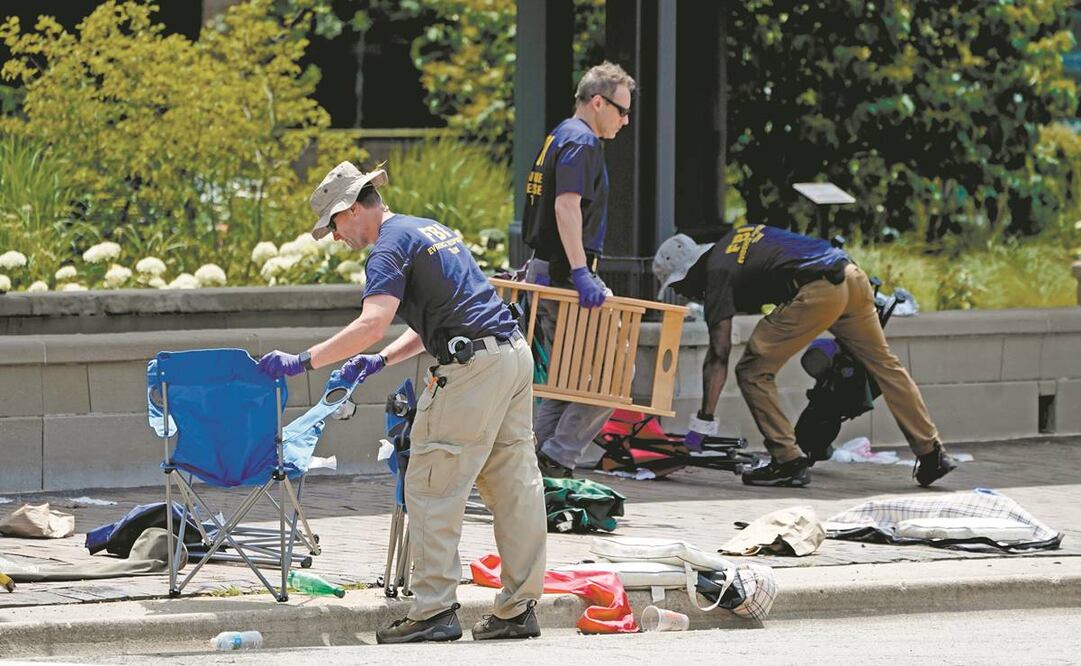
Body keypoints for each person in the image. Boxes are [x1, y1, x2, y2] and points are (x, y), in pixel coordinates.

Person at [257, 161, 547, 644]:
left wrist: (302, 361)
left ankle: (434, 611)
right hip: (510, 356)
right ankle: (518, 609)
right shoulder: (428, 229)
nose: (335, 236)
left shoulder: (387, 248)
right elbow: (443, 316)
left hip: (472, 369)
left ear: (353, 208)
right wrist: (381, 361)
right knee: (514, 485)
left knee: (431, 483)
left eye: (333, 224)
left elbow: (372, 322)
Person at [652, 227, 957, 488]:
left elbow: (718, 355)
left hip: (818, 289)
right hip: (850, 276)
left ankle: (787, 461)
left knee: (752, 370)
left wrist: (703, 423)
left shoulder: (715, 273)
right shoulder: (735, 239)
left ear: (689, 271)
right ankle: (932, 452)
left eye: (679, 286)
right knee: (885, 366)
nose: (684, 295)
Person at [521, 61, 636, 478]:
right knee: (614, 372)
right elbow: (566, 206)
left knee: (569, 374)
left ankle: (539, 458)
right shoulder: (582, 141)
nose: (626, 121)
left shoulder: (560, 135)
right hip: (567, 273)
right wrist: (580, 272)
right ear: (598, 102)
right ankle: (557, 456)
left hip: (551, 268)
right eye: (622, 111)